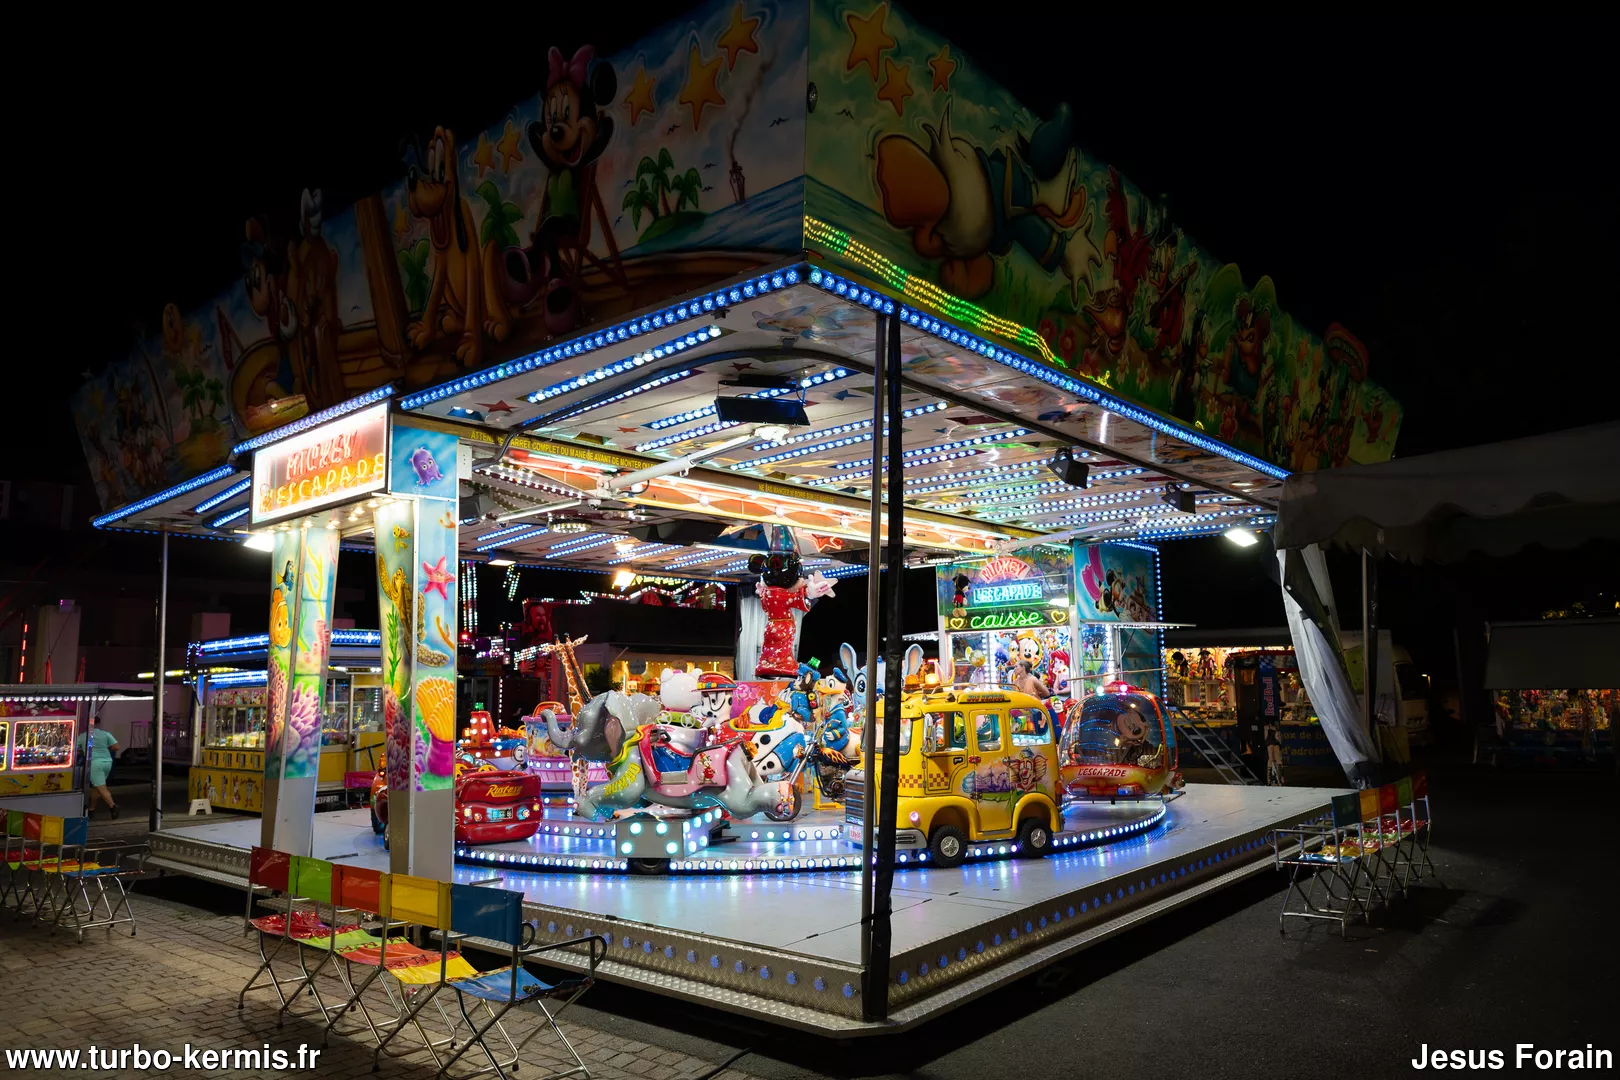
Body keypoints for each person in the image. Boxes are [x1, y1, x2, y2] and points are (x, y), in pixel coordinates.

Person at [79, 715, 120, 818]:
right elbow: (116, 747)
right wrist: (104, 749)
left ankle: (113, 806)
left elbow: (75, 749)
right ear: (98, 723)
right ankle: (91, 809)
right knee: (96, 787)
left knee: (101, 787)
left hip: (94, 763)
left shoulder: (83, 736)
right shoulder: (105, 734)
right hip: (107, 761)